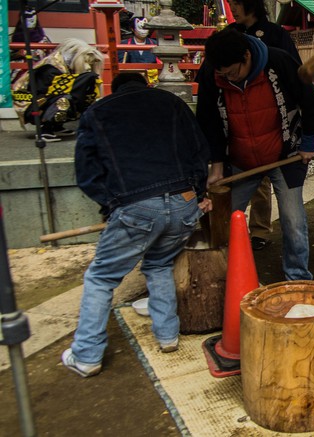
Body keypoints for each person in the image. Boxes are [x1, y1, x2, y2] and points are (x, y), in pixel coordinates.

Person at [62, 73, 212, 377]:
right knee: (158, 265)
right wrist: (197, 192)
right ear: (147, 86)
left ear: (115, 89)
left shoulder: (97, 112)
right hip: (184, 202)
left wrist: (110, 203)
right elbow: (200, 150)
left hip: (136, 205)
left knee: (101, 277)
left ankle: (87, 354)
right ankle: (168, 336)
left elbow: (86, 172)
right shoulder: (171, 103)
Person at [196, 28, 314, 280]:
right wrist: (215, 167)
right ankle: (223, 277)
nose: (229, 78)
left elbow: (309, 99)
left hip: (284, 153)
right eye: (223, 74)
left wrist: (309, 143)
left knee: (293, 220)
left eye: (233, 72)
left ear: (246, 56)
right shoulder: (212, 74)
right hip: (240, 159)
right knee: (222, 216)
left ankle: (298, 278)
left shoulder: (278, 61)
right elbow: (208, 121)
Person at [226, 0, 302, 251]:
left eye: (238, 2)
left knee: (290, 213)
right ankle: (228, 258)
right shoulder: (228, 36)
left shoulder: (275, 35)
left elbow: (297, 77)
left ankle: (260, 229)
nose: (234, 8)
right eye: (230, 3)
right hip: (242, 131)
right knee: (235, 197)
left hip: (276, 127)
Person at [11, 38, 104, 142]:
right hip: (31, 105)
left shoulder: (65, 65)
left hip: (44, 100)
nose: (87, 66)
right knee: (65, 100)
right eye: (86, 62)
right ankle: (45, 130)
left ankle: (56, 127)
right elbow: (50, 91)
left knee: (80, 95)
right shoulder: (50, 67)